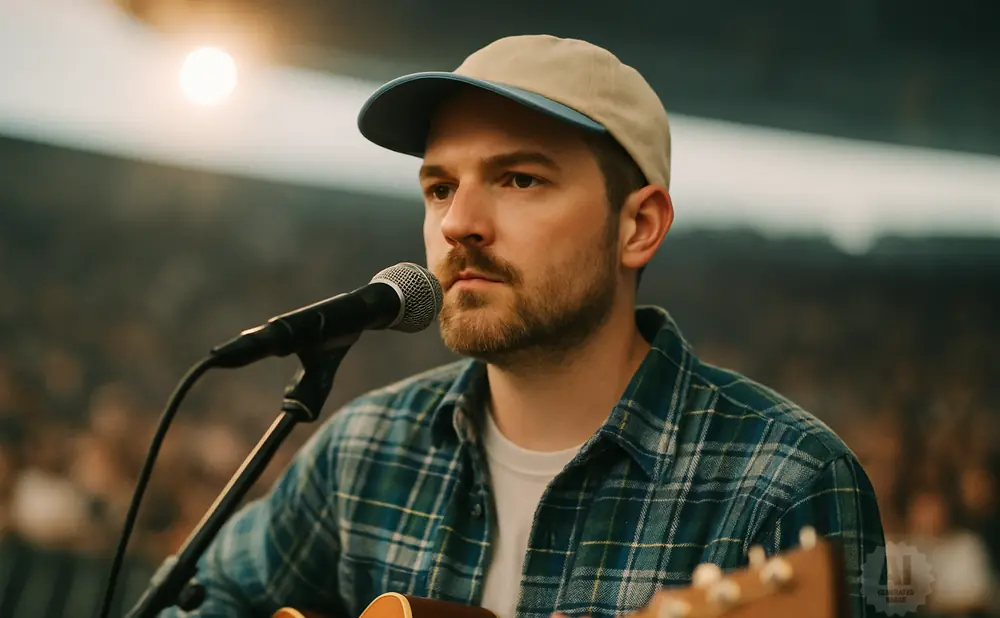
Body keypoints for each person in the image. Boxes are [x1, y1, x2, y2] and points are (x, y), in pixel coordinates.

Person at [161, 35, 885, 618]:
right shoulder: (365, 451)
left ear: (638, 226)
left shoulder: (785, 480)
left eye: (519, 180)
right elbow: (193, 601)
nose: (458, 224)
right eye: (440, 186)